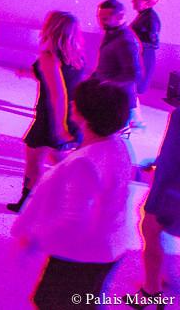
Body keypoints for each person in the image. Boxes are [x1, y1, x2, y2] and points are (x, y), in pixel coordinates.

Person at [12, 78, 133, 310]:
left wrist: (35, 235)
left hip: (83, 254)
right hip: (111, 245)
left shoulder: (84, 163)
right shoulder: (118, 145)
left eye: (78, 101)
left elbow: (74, 218)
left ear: (85, 116)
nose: (73, 103)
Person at [7, 12, 85, 213]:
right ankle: (36, 202)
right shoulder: (76, 57)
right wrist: (26, 73)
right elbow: (60, 81)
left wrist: (60, 128)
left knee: (37, 162)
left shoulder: (49, 58)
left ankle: (43, 203)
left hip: (52, 118)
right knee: (54, 162)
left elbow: (57, 94)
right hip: (69, 116)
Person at [130, 106, 180, 306]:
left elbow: (173, 153)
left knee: (150, 229)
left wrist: (159, 176)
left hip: (171, 187)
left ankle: (151, 290)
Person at [92, 0, 142, 127]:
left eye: (105, 18)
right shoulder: (112, 34)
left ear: (120, 17)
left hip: (117, 100)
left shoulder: (125, 41)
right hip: (110, 96)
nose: (101, 22)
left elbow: (133, 75)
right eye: (100, 18)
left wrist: (106, 84)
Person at [131, 0, 161, 95]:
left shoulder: (151, 18)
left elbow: (153, 43)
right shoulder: (143, 16)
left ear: (146, 1)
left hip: (143, 57)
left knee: (135, 89)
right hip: (140, 55)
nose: (132, 1)